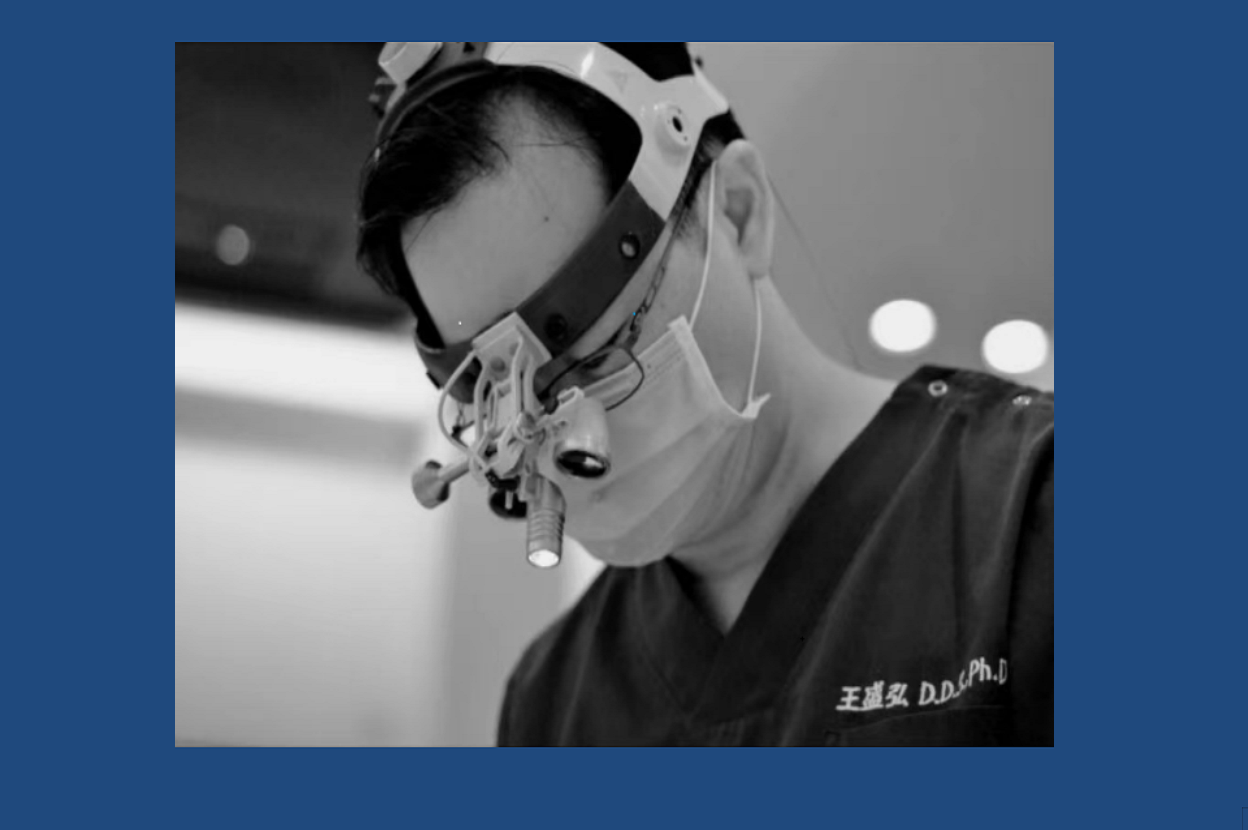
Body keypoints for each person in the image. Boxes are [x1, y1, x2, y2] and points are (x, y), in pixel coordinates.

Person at [356, 42, 1053, 746]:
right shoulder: (554, 704)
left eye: (597, 355)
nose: (555, 444)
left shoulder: (1029, 522)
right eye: (504, 404)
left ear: (739, 214)